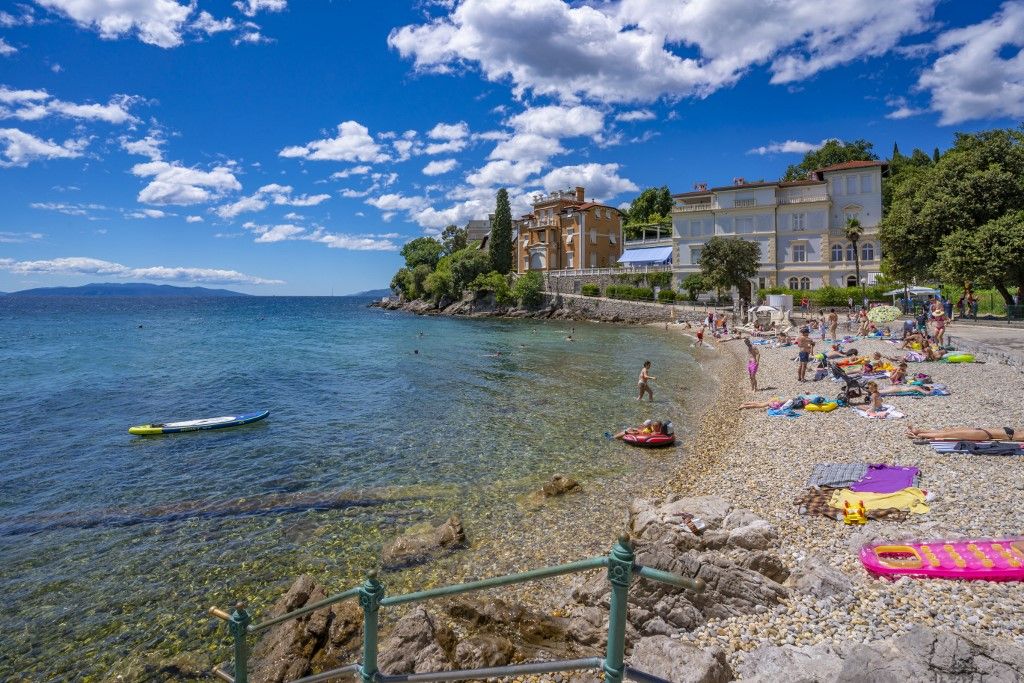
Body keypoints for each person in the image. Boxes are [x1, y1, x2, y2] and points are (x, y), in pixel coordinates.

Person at [906, 425, 1022, 442]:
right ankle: (919, 431)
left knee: (947, 435)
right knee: (948, 432)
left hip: (985, 434)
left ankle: (918, 434)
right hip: (983, 431)